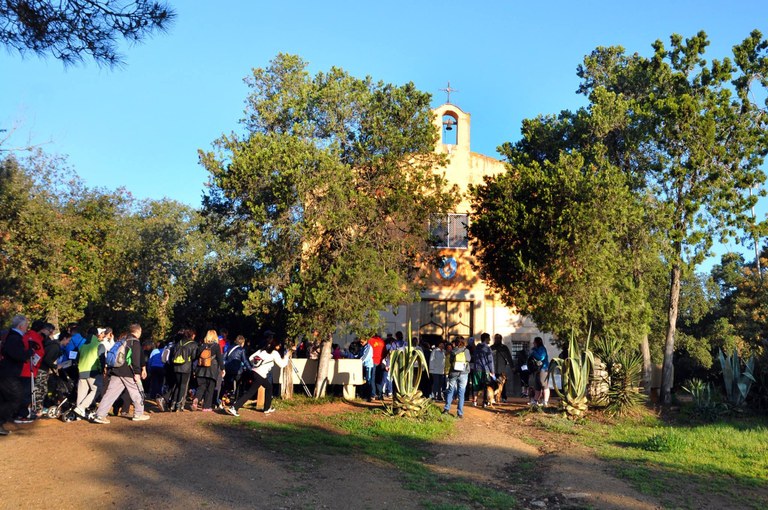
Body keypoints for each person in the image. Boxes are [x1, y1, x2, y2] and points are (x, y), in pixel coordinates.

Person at [92, 324, 149, 424]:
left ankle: (100, 415)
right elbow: (135, 359)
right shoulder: (134, 342)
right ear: (138, 331)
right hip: (128, 372)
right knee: (136, 391)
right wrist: (137, 372)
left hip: (116, 370)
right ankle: (139, 413)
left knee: (110, 394)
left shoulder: (122, 340)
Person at [227, 337, 291, 416]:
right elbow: (282, 364)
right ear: (275, 345)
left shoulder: (261, 350)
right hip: (260, 375)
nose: (279, 347)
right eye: (278, 345)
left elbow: (250, 358)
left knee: (268, 387)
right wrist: (287, 356)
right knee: (250, 392)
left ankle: (267, 408)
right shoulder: (274, 353)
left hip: (254, 372)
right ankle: (235, 407)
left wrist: (256, 364)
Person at [0, 315, 35, 434]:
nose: (27, 328)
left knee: (6, 398)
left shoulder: (11, 337)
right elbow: (17, 354)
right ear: (20, 326)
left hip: (6, 372)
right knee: (16, 397)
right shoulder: (15, 338)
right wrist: (29, 352)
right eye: (26, 326)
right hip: (9, 373)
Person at [73, 327, 105, 419]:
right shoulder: (99, 345)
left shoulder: (82, 346)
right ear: (96, 334)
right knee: (96, 389)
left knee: (81, 392)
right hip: (93, 371)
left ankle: (78, 415)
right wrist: (102, 370)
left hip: (81, 371)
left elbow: (77, 359)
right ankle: (81, 407)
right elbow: (101, 359)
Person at [165, 328, 197, 412]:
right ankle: (179, 405)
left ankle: (173, 404)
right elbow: (194, 357)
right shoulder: (193, 344)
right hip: (186, 367)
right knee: (183, 386)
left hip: (176, 366)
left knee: (177, 385)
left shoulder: (179, 343)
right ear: (192, 335)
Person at [193, 330, 225, 412]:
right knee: (210, 389)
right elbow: (219, 358)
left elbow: (196, 356)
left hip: (200, 369)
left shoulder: (202, 345)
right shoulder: (216, 346)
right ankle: (206, 407)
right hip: (212, 370)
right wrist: (222, 369)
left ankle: (196, 398)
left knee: (201, 387)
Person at [442, 338, 471, 418]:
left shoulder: (453, 350)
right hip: (464, 373)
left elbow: (451, 361)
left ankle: (447, 409)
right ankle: (459, 413)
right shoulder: (466, 350)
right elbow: (468, 359)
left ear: (456, 343)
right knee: (461, 393)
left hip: (453, 373)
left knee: (450, 390)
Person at [474, 334, 495, 407]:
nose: (489, 340)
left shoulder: (477, 347)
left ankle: (475, 401)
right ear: (486, 339)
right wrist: (492, 371)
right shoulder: (487, 348)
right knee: (485, 386)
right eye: (489, 338)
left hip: (476, 368)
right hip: (485, 369)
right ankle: (484, 401)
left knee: (476, 385)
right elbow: (490, 361)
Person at [491, 334, 514, 402]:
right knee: (493, 383)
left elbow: (509, 357)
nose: (497, 340)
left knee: (502, 384)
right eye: (496, 338)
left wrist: (512, 366)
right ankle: (493, 397)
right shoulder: (491, 347)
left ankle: (503, 397)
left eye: (498, 338)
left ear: (501, 339)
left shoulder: (504, 348)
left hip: (501, 369)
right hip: (493, 369)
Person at [529, 336, 550, 407]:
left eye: (534, 342)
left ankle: (545, 401)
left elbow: (541, 357)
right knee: (537, 386)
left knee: (544, 385)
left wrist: (533, 353)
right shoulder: (535, 349)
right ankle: (535, 401)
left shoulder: (542, 349)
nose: (533, 343)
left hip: (543, 369)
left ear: (537, 342)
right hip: (537, 370)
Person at [357, 337, 375, 401]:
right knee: (364, 380)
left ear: (366, 341)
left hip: (368, 365)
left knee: (368, 381)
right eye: (360, 342)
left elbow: (365, 356)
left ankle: (369, 396)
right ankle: (364, 395)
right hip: (364, 365)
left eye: (362, 342)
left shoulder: (368, 347)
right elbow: (360, 355)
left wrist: (359, 361)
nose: (361, 343)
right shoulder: (363, 347)